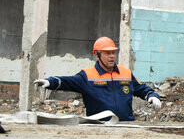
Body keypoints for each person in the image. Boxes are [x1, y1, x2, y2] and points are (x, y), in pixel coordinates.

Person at [33, 37, 161, 121]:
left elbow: (142, 89)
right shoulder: (87, 76)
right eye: (107, 53)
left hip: (126, 126)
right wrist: (49, 82)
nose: (111, 56)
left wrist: (152, 95)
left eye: (113, 53)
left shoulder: (125, 73)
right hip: (99, 128)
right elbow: (67, 81)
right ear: (97, 55)